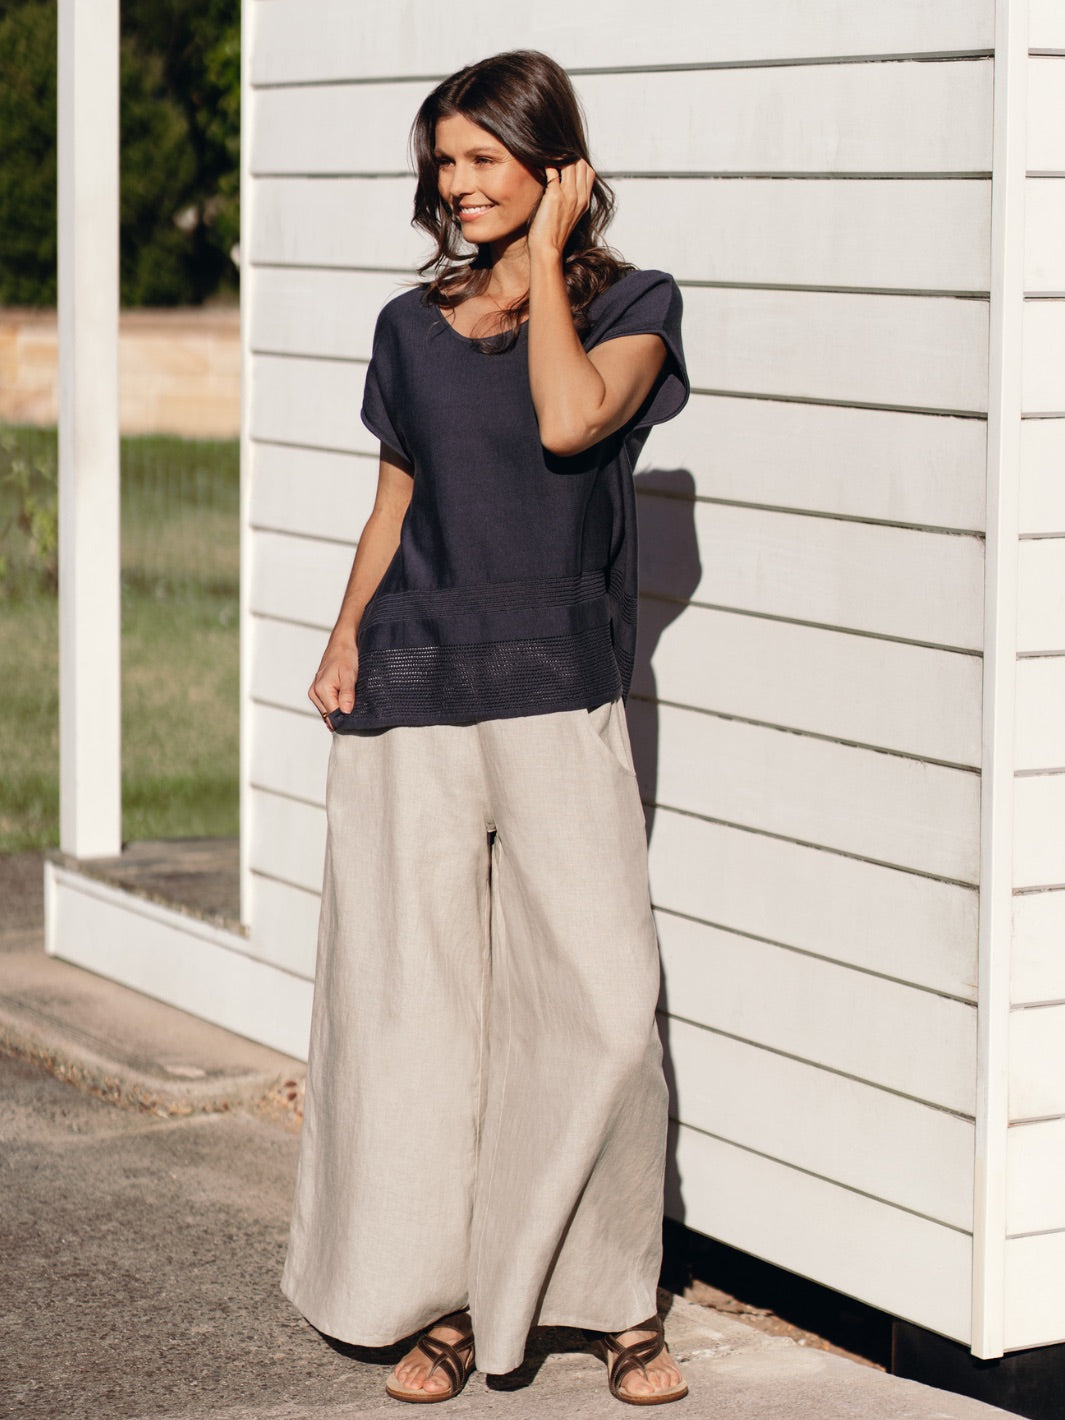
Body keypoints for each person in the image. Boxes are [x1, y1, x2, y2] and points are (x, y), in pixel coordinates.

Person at [281, 49, 689, 1408]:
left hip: (558, 689)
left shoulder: (633, 303)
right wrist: (344, 635)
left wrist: (555, 258)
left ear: (551, 164)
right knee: (418, 1018)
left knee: (598, 1004)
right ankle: (441, 1305)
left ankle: (609, 1300)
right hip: (415, 686)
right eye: (442, 163)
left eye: (482, 161)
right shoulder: (410, 327)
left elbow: (571, 422)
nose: (456, 187)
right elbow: (395, 499)